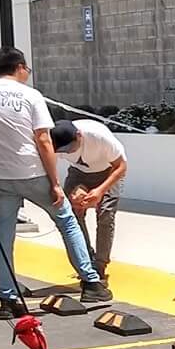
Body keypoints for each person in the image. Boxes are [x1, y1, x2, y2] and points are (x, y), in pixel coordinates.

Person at [0, 48, 111, 312]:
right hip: (31, 171)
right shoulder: (31, 95)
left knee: (4, 235)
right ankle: (91, 283)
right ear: (20, 67)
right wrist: (55, 182)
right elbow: (44, 140)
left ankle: (8, 298)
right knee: (66, 221)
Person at [50, 117, 128, 281]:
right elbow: (49, 165)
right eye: (63, 150)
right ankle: (86, 259)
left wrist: (100, 191)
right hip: (78, 172)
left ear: (79, 135)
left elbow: (121, 166)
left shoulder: (98, 137)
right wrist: (59, 187)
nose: (68, 152)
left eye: (70, 147)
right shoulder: (53, 143)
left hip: (109, 171)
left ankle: (100, 264)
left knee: (105, 215)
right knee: (72, 213)